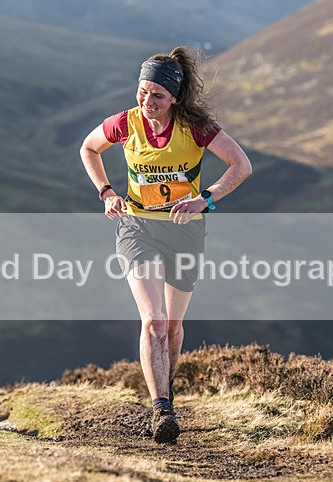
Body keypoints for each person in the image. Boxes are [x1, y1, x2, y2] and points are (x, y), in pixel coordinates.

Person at [80, 47, 252, 444]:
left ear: (175, 97)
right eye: (142, 91)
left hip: (185, 232)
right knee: (154, 319)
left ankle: (166, 395)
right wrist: (106, 192)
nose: (147, 101)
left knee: (173, 326)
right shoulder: (125, 123)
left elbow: (241, 165)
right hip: (137, 228)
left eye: (157, 94)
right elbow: (88, 148)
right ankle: (161, 409)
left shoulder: (196, 127)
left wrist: (205, 199)